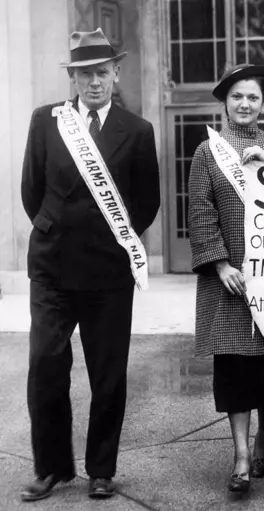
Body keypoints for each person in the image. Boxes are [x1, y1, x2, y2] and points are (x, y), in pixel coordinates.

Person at [19, 28, 160, 501]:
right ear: (73, 78)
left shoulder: (137, 131)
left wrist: (113, 242)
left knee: (108, 372)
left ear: (116, 73)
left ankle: (101, 468)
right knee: (45, 364)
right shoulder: (46, 121)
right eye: (84, 75)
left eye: (102, 73)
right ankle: (52, 466)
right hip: (53, 267)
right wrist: (56, 227)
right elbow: (31, 191)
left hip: (107, 273)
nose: (94, 82)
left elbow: (146, 203)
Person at [188, 63, 264, 495]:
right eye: (237, 96)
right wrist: (220, 265)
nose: (245, 104)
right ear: (225, 101)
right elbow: (201, 212)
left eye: (253, 97)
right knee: (236, 370)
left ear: (262, 103)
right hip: (230, 281)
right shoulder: (207, 152)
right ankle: (239, 455)